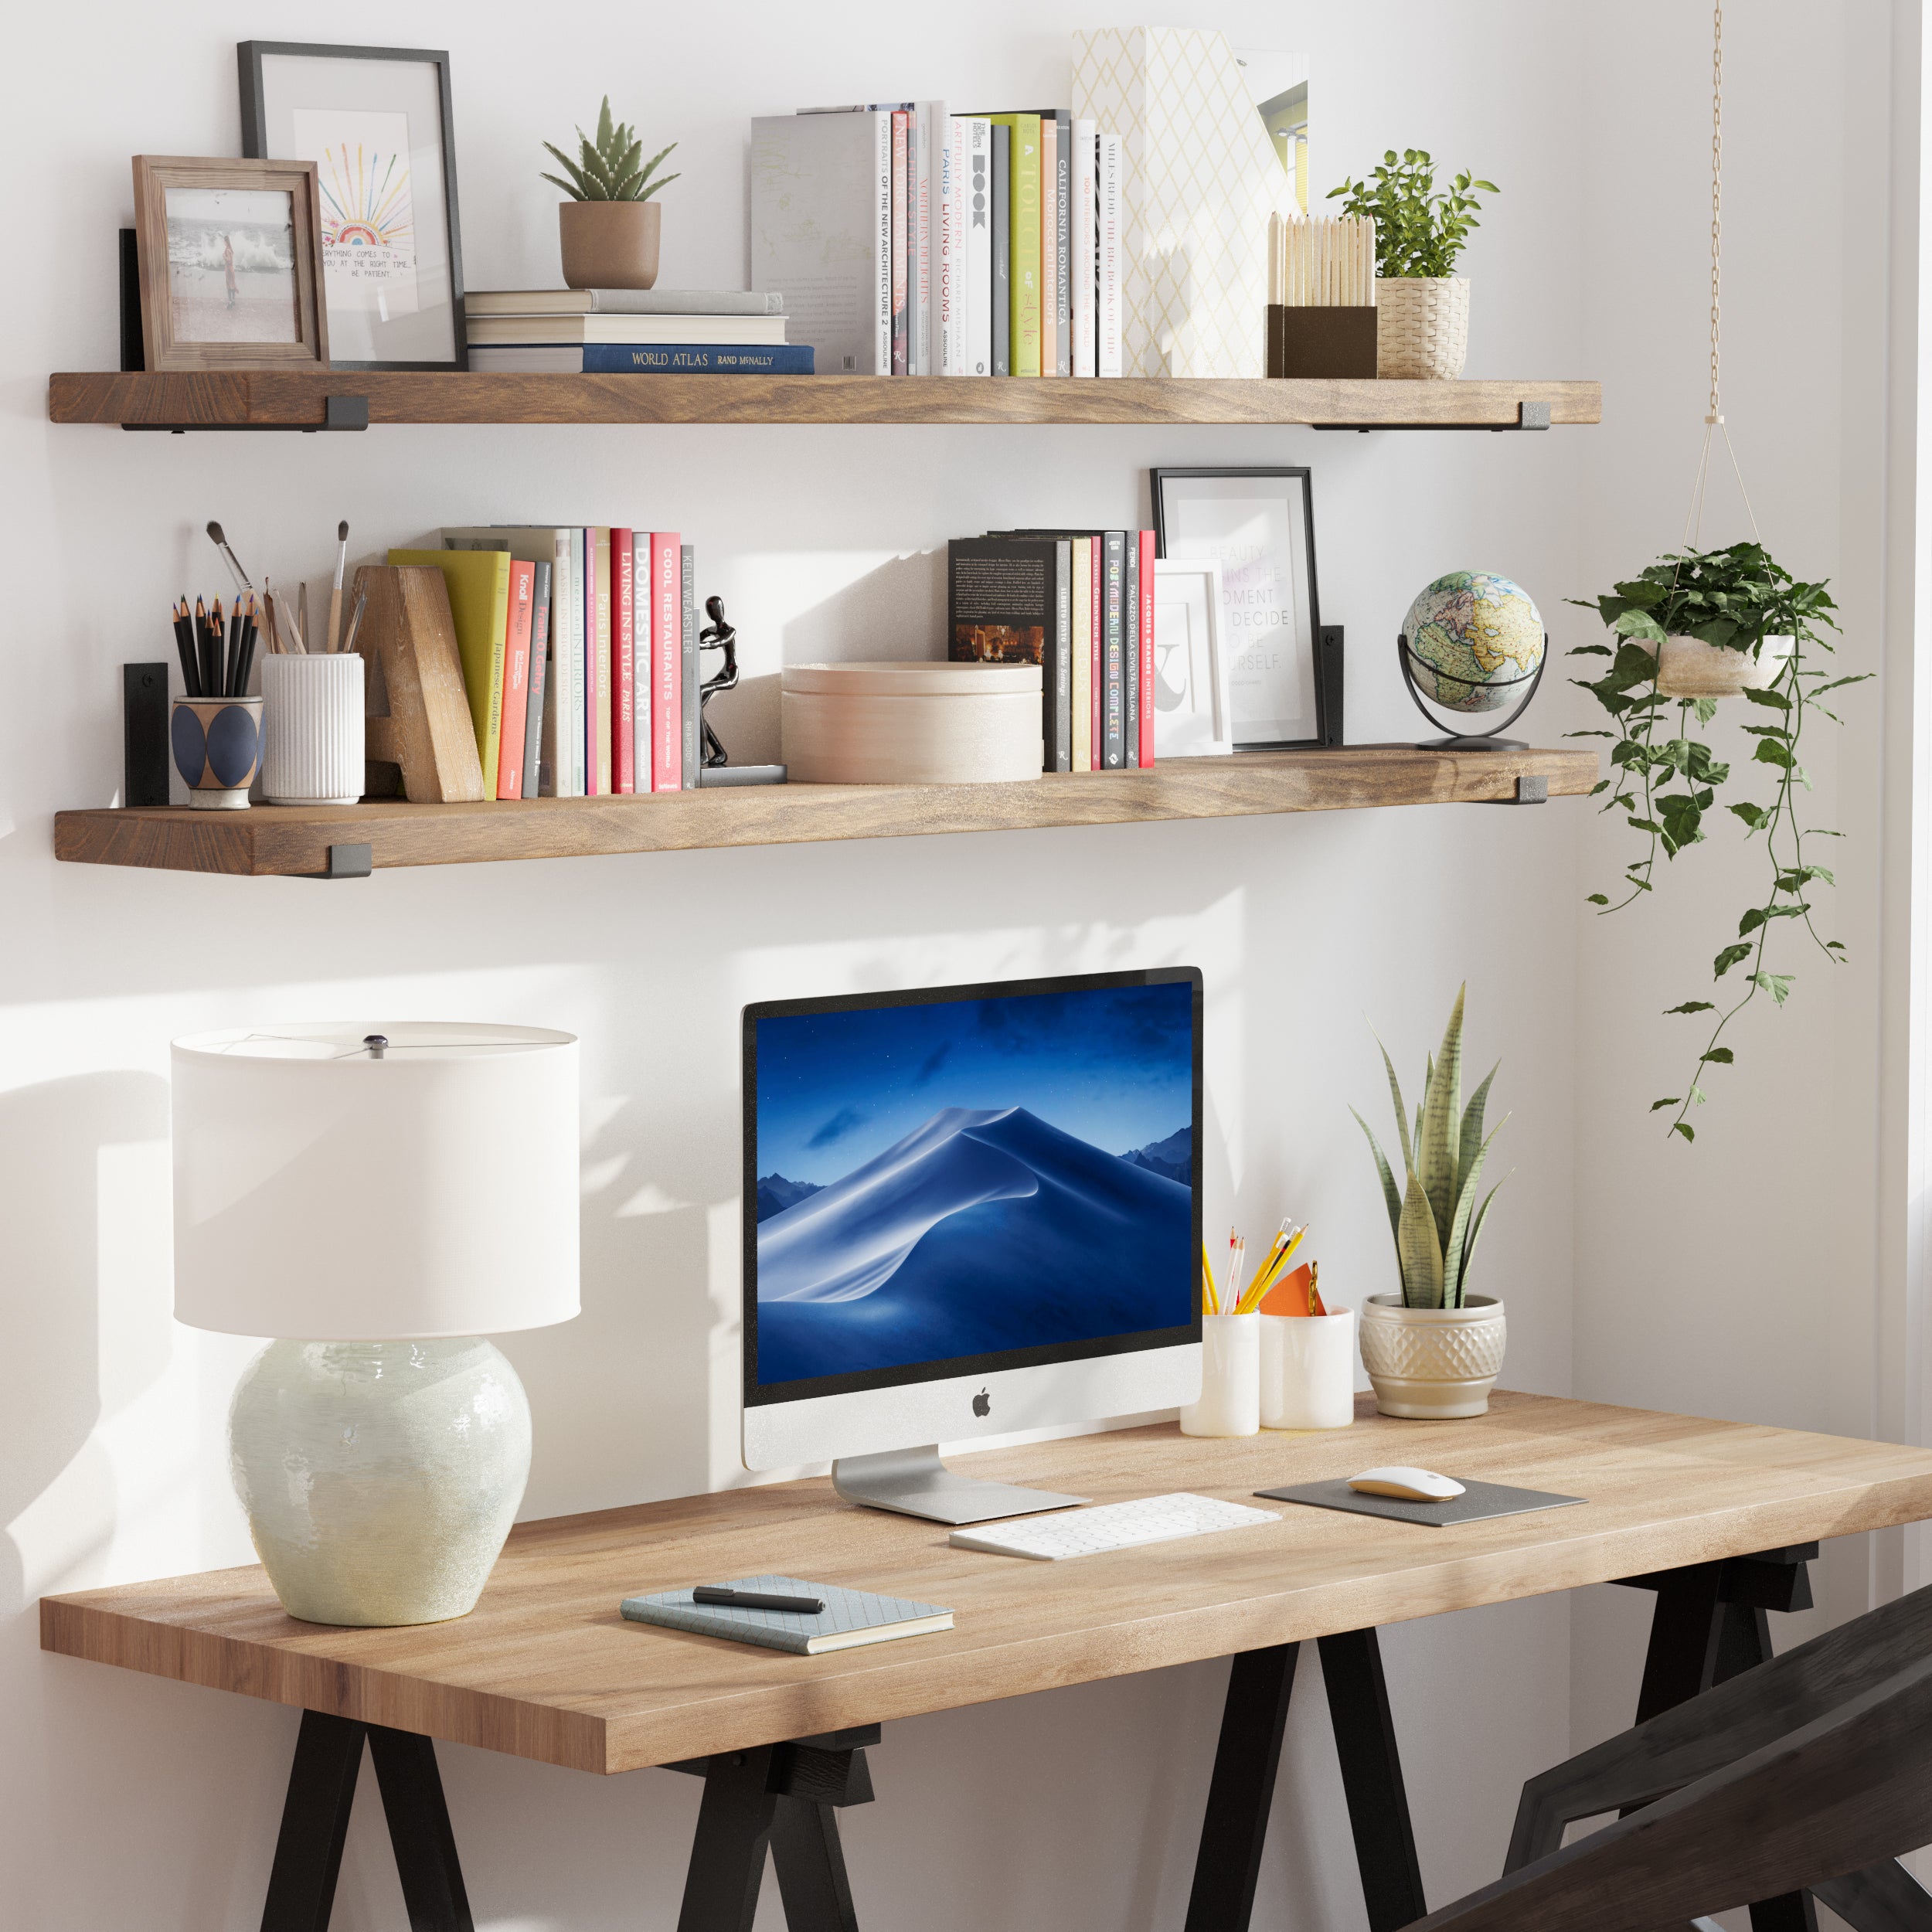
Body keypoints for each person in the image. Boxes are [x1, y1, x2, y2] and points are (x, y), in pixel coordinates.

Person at [223, 233, 237, 309]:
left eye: (224, 241)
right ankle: (233, 300)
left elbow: (229, 260)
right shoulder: (231, 249)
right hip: (231, 268)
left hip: (229, 269)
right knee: (233, 285)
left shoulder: (227, 250)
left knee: (229, 286)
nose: (224, 243)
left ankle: (230, 302)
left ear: (226, 242)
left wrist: (224, 256)